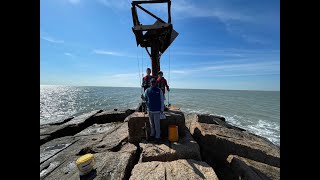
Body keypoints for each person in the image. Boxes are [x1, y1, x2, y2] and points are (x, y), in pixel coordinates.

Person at [144, 78, 164, 143]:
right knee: (151, 124)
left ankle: (157, 137)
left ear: (156, 83)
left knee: (157, 124)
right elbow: (145, 100)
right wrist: (142, 98)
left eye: (154, 82)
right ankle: (152, 134)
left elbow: (162, 100)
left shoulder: (159, 90)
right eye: (151, 82)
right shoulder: (147, 90)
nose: (153, 83)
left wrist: (162, 109)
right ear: (150, 83)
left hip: (157, 111)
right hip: (150, 110)